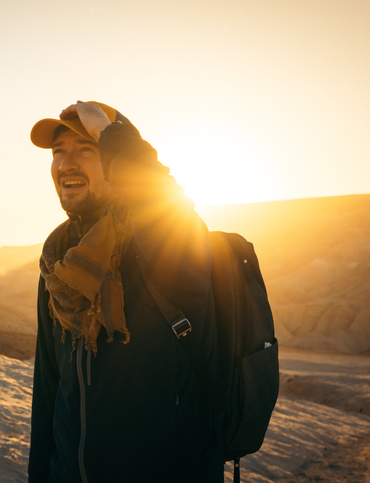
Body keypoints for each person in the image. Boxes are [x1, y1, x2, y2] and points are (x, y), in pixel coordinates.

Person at [28, 101, 224, 483]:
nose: (67, 163)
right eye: (58, 152)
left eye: (87, 150)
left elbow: (161, 195)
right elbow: (48, 393)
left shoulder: (168, 244)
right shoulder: (59, 263)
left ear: (117, 160)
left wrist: (110, 130)